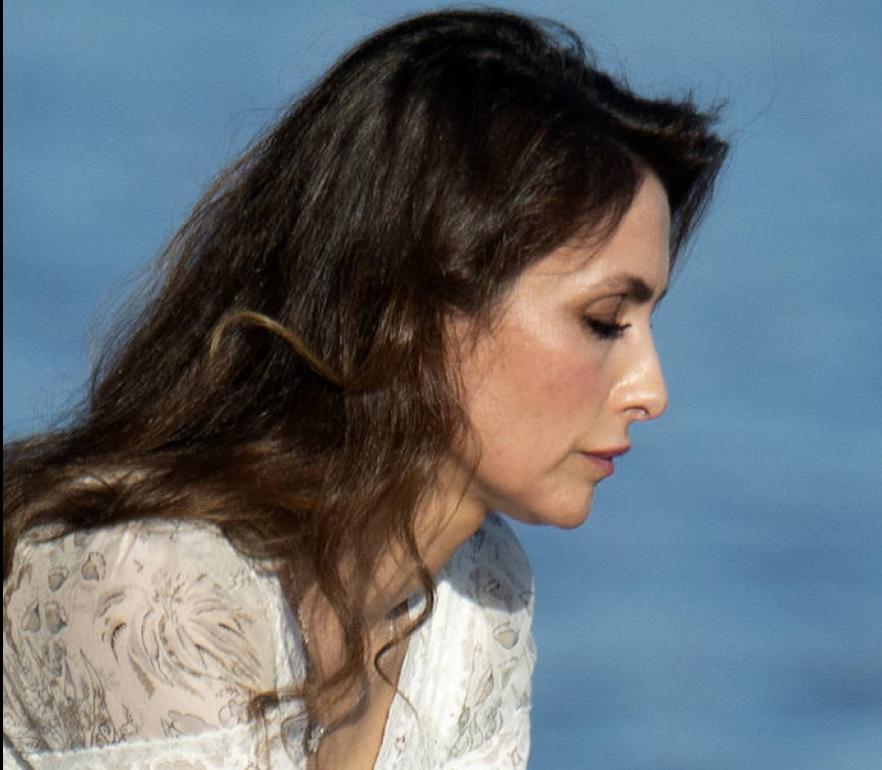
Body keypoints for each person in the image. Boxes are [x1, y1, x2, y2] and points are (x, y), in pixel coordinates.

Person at [1, 8, 727, 769]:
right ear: (413, 311)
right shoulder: (147, 583)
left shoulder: (477, 592)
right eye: (603, 321)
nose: (651, 391)